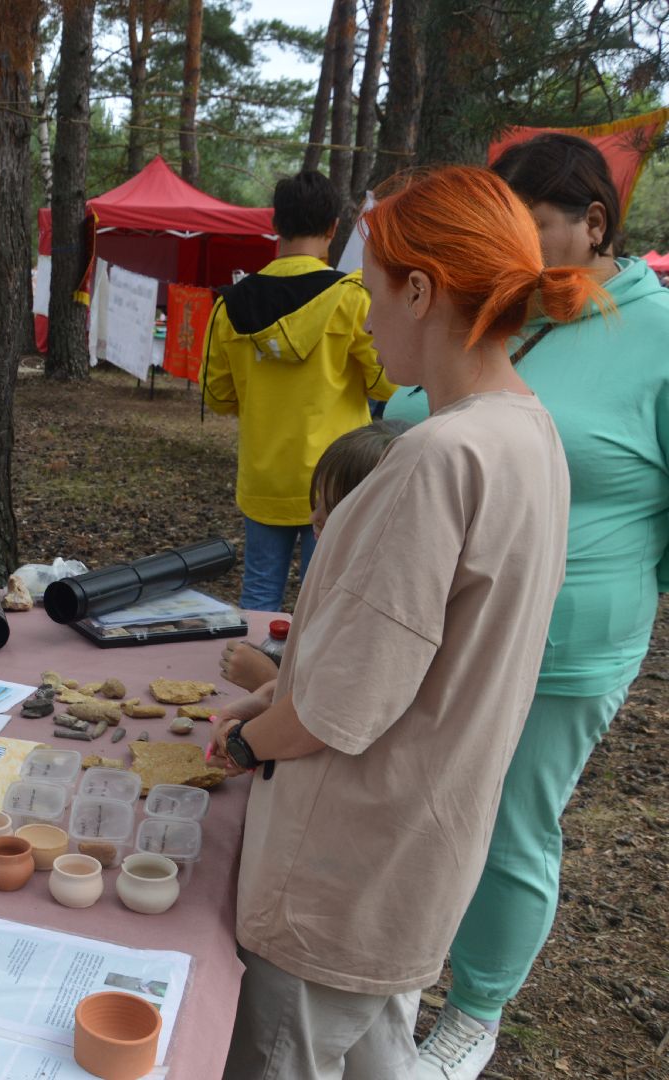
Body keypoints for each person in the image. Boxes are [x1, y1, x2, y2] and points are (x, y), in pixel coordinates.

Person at [208, 165, 602, 1078]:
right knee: (378, 1048)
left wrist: (247, 740)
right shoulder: (529, 429)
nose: (365, 314)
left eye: (371, 289)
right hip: (416, 856)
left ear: (420, 290)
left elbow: (337, 709)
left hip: (338, 875)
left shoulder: (436, 456)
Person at [381, 135, 669, 1080]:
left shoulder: (656, 334)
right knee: (418, 793)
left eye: (533, 227)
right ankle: (402, 966)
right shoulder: (513, 304)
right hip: (434, 611)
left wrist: (615, 590)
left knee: (509, 818)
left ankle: (475, 1009)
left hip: (565, 637)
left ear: (595, 223)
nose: (512, 246)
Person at [200, 170, 398, 612]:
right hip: (337, 480)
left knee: (258, 591)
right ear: (333, 228)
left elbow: (217, 395)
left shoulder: (230, 305)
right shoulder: (352, 300)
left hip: (263, 475)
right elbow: (386, 382)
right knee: (324, 596)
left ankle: (249, 675)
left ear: (276, 225)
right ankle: (308, 682)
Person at [219, 418, 411, 691]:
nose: (314, 516)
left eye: (333, 507)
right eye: (318, 499)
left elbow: (339, 711)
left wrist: (269, 681)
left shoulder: (374, 608)